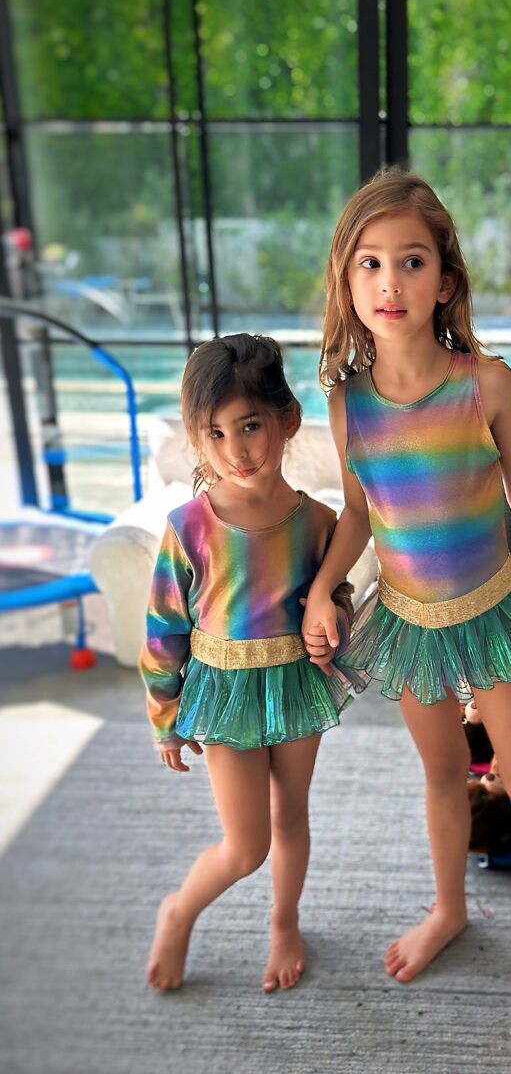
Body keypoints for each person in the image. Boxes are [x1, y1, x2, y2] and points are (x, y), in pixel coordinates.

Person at [302, 169, 511, 1009]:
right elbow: (361, 509)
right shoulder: (347, 405)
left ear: (445, 280)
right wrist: (324, 587)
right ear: (347, 279)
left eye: (411, 262)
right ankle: (449, 908)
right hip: (407, 620)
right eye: (368, 263)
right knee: (443, 775)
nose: (389, 282)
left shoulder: (487, 382)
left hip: (490, 611)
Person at [140, 333, 364, 993]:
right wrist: (165, 712)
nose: (236, 449)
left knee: (292, 816)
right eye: (215, 433)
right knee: (247, 845)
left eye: (250, 425)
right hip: (223, 692)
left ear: (286, 420)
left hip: (297, 683)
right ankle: (179, 910)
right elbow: (163, 627)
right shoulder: (189, 527)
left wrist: (336, 626)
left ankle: (285, 922)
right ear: (196, 440)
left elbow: (339, 595)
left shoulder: (319, 521)